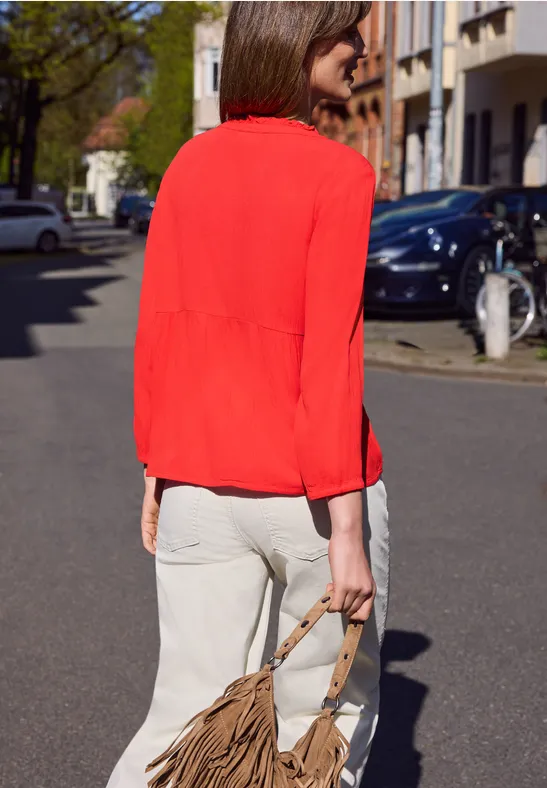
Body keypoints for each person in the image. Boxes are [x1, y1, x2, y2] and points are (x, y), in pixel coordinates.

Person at [106, 3, 389, 786]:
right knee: (320, 716)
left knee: (184, 713)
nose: (359, 48)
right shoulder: (340, 172)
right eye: (343, 32)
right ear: (294, 41)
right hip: (308, 495)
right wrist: (347, 532)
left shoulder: (188, 165)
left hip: (196, 480)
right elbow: (331, 356)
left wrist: (154, 469)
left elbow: (159, 330)